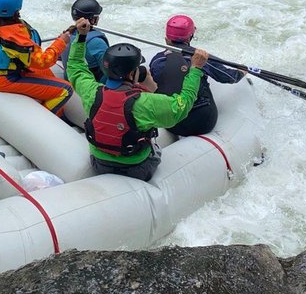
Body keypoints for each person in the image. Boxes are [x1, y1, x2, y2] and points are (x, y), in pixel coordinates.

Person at [67, 17, 209, 181]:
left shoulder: (92, 92)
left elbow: (75, 67)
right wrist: (196, 69)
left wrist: (82, 36)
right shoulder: (146, 102)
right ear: (131, 74)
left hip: (99, 163)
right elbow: (182, 106)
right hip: (137, 167)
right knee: (156, 148)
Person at [0, 0, 74, 116]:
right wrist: (62, 41)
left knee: (47, 74)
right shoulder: (15, 38)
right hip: (9, 80)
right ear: (17, 8)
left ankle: (56, 110)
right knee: (66, 90)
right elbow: (44, 61)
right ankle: (44, 119)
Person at [150, 15, 246, 137]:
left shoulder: (156, 61)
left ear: (166, 39)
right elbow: (229, 77)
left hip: (172, 123)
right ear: (190, 37)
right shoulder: (201, 58)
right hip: (203, 121)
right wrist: (242, 71)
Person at [60, 0, 108, 81]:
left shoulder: (67, 34)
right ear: (92, 19)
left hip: (70, 79)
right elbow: (109, 71)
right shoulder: (97, 42)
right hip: (90, 85)